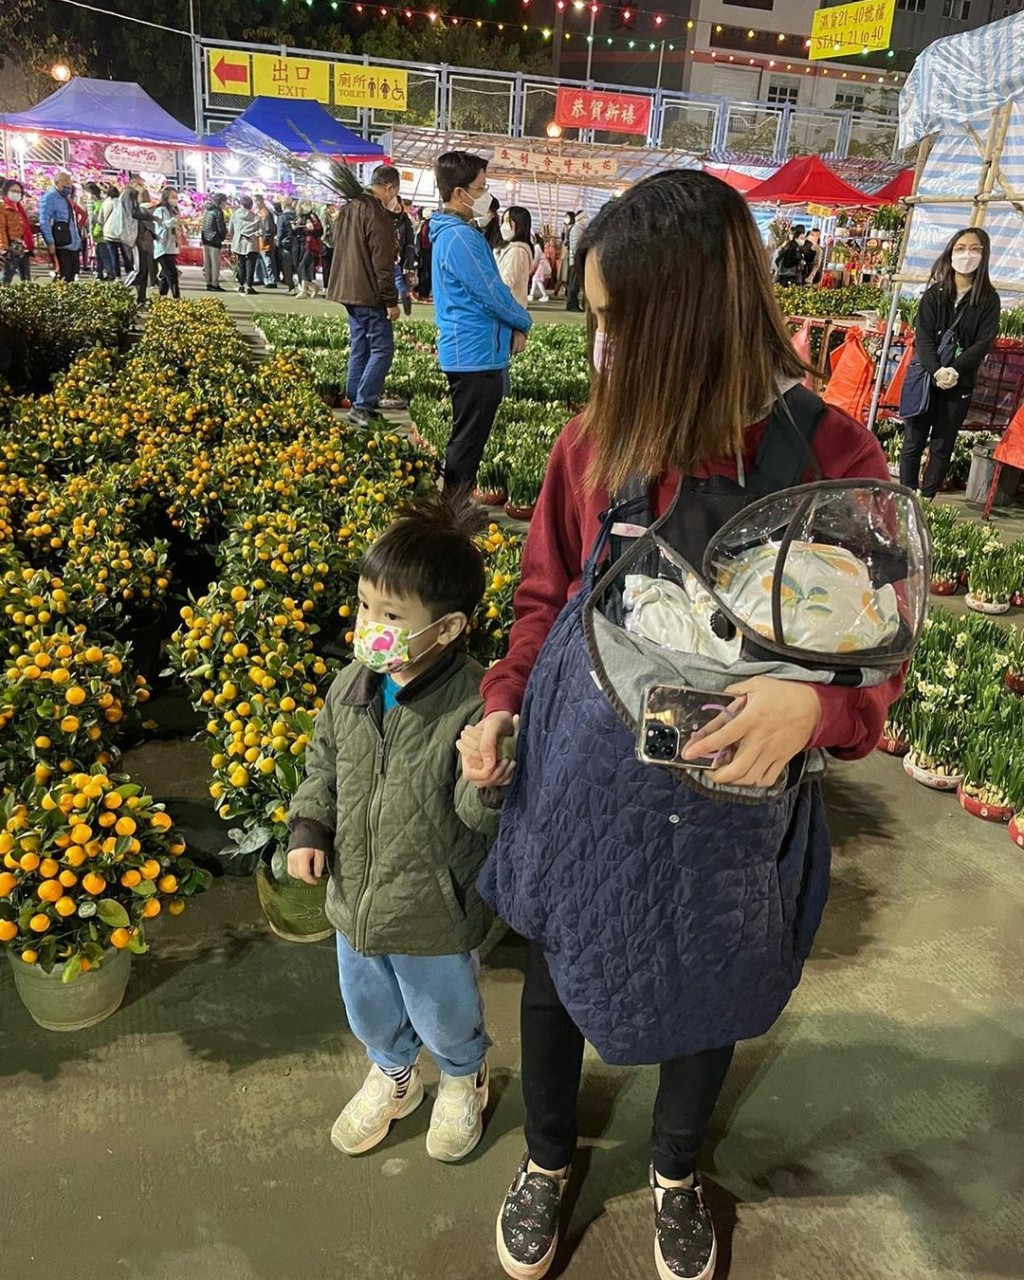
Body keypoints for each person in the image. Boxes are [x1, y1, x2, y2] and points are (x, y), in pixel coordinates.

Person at [458, 170, 906, 1280]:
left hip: (732, 810)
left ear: (687, 320)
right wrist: (504, 702)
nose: (597, 345)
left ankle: (670, 1168)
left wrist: (819, 704)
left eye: (616, 322)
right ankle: (551, 1159)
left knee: (708, 976)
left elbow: (880, 647)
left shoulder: (827, 457)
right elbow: (542, 598)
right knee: (560, 966)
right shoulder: (594, 445)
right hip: (584, 792)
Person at [285, 493, 500, 1163]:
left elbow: (476, 816)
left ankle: (464, 1078)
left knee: (445, 1010)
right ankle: (394, 1076)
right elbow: (322, 761)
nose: (368, 626)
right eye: (363, 607)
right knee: (368, 1003)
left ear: (447, 628)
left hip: (432, 910)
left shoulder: (474, 703)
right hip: (355, 898)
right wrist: (309, 826)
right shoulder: (352, 684)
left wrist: (489, 780)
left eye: (390, 615)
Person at [430, 152, 532, 489]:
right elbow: (490, 293)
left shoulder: (457, 232)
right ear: (459, 193)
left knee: (468, 437)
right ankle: (454, 513)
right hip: (473, 354)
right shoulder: (459, 237)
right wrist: (523, 321)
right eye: (481, 187)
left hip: (473, 351)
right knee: (467, 441)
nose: (485, 195)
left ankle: (456, 509)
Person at [899, 227, 1001, 499]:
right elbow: (923, 336)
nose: (967, 254)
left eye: (975, 249)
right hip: (926, 379)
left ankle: (927, 500)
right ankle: (905, 497)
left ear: (984, 254)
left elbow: (983, 343)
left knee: (942, 445)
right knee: (913, 442)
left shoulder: (989, 300)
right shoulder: (935, 294)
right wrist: (937, 370)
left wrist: (955, 370)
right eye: (960, 248)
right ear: (951, 252)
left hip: (960, 382)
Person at [326, 163, 401, 428]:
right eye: (395, 193)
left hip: (347, 290)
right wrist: (391, 301)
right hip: (368, 293)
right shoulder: (377, 214)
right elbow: (383, 264)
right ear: (389, 188)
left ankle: (355, 395)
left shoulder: (349, 208)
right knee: (382, 349)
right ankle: (362, 404)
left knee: (361, 346)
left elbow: (334, 242)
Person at [37, 170, 81, 283]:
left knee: (72, 274)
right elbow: (44, 220)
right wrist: (50, 241)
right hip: (61, 243)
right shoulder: (50, 197)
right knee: (63, 275)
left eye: (70, 182)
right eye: (65, 182)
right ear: (57, 183)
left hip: (72, 242)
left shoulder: (66, 198)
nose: (68, 185)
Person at [118, 176, 155, 306]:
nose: (142, 188)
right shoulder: (128, 194)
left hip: (137, 235)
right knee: (138, 269)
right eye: (140, 184)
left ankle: (141, 297)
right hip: (131, 236)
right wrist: (150, 216)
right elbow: (132, 213)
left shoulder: (131, 195)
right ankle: (121, 292)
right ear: (133, 183)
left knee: (144, 269)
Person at [495, 206, 534, 309]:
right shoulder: (510, 248)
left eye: (508, 221)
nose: (504, 226)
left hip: (508, 307)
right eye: (503, 221)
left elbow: (507, 283)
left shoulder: (517, 251)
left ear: (520, 223)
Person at [0, 178, 34, 285]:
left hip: (23, 248)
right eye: (13, 191)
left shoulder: (20, 209)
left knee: (26, 280)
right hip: (11, 248)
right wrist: (3, 248)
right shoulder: (2, 208)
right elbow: (1, 229)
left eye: (19, 192)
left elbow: (26, 228)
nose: (16, 194)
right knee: (6, 279)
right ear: (6, 191)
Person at [152, 187, 182, 300]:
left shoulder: (172, 210)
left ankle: (162, 298)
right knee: (172, 274)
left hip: (171, 247)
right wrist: (174, 221)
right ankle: (177, 298)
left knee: (166, 275)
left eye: (176, 197)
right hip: (163, 248)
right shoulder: (160, 210)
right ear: (166, 197)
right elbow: (161, 226)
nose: (175, 199)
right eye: (173, 197)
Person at [229, 195, 260, 295]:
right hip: (251, 243)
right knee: (251, 264)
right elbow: (261, 230)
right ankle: (249, 286)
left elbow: (230, 230)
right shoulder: (255, 217)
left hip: (239, 241)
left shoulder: (235, 215)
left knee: (241, 263)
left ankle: (241, 285)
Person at [294, 200, 324, 299]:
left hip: (310, 245)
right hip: (301, 244)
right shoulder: (300, 216)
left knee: (303, 266)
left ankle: (304, 289)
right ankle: (313, 287)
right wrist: (295, 227)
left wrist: (312, 229)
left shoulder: (312, 216)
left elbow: (319, 231)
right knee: (301, 267)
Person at [392, 198, 416, 317]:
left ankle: (406, 303)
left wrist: (408, 263)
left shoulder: (406, 221)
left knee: (400, 282)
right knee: (396, 282)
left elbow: (410, 243)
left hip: (401, 257)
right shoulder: (384, 218)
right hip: (388, 257)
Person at [200, 192, 228, 292]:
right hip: (214, 239)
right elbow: (220, 227)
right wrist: (222, 236)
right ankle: (214, 284)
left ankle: (208, 283)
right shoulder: (217, 211)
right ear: (221, 201)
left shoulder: (207, 210)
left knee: (207, 263)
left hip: (206, 239)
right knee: (215, 263)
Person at [565, 210, 587, 311]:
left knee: (575, 283)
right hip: (576, 261)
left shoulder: (580, 228)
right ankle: (572, 304)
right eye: (585, 217)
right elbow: (575, 246)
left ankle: (572, 303)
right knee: (574, 283)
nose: (587, 219)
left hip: (576, 260)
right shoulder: (577, 229)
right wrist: (578, 258)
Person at [254, 195, 278, 289]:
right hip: (260, 240)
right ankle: (262, 278)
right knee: (261, 261)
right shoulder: (261, 212)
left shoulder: (265, 212)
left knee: (268, 261)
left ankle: (270, 280)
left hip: (264, 240)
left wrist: (266, 238)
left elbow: (269, 228)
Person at [276, 197, 297, 293]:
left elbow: (280, 232)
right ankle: (301, 286)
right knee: (296, 265)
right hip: (296, 243)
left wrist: (278, 242)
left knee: (287, 267)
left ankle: (291, 286)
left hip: (285, 244)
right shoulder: (296, 215)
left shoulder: (282, 217)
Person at [415, 209, 434, 301]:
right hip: (427, 252)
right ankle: (424, 294)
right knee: (427, 274)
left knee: (424, 273)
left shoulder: (422, 225)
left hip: (423, 252)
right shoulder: (428, 226)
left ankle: (423, 294)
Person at [529, 235, 552, 303]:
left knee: (536, 279)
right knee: (535, 279)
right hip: (542, 264)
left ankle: (544, 295)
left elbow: (536, 259)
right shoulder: (539, 246)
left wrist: (532, 269)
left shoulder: (536, 247)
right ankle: (531, 294)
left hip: (541, 265)